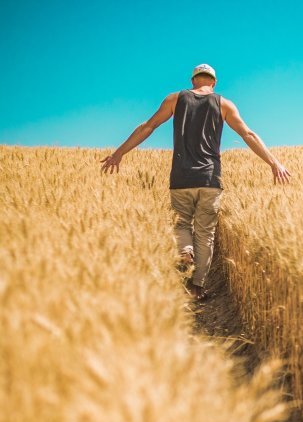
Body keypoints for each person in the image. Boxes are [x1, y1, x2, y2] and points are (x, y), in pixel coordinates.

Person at [100, 64, 290, 300]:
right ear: (214, 82)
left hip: (181, 177)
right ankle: (197, 287)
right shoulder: (224, 104)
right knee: (205, 234)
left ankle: (185, 251)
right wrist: (274, 163)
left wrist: (119, 153)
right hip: (210, 179)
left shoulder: (174, 99)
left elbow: (148, 126)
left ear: (193, 81)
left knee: (181, 225)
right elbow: (248, 134)